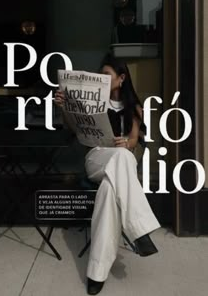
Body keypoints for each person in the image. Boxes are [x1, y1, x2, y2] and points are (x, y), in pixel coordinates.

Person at [54, 54, 161, 295]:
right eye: (100, 74)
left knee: (109, 191)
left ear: (121, 78)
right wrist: (63, 108)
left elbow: (135, 140)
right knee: (120, 160)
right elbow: (74, 129)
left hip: (121, 161)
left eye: (107, 75)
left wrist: (127, 143)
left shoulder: (134, 106)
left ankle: (97, 273)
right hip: (97, 158)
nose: (102, 78)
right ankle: (140, 231)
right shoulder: (92, 101)